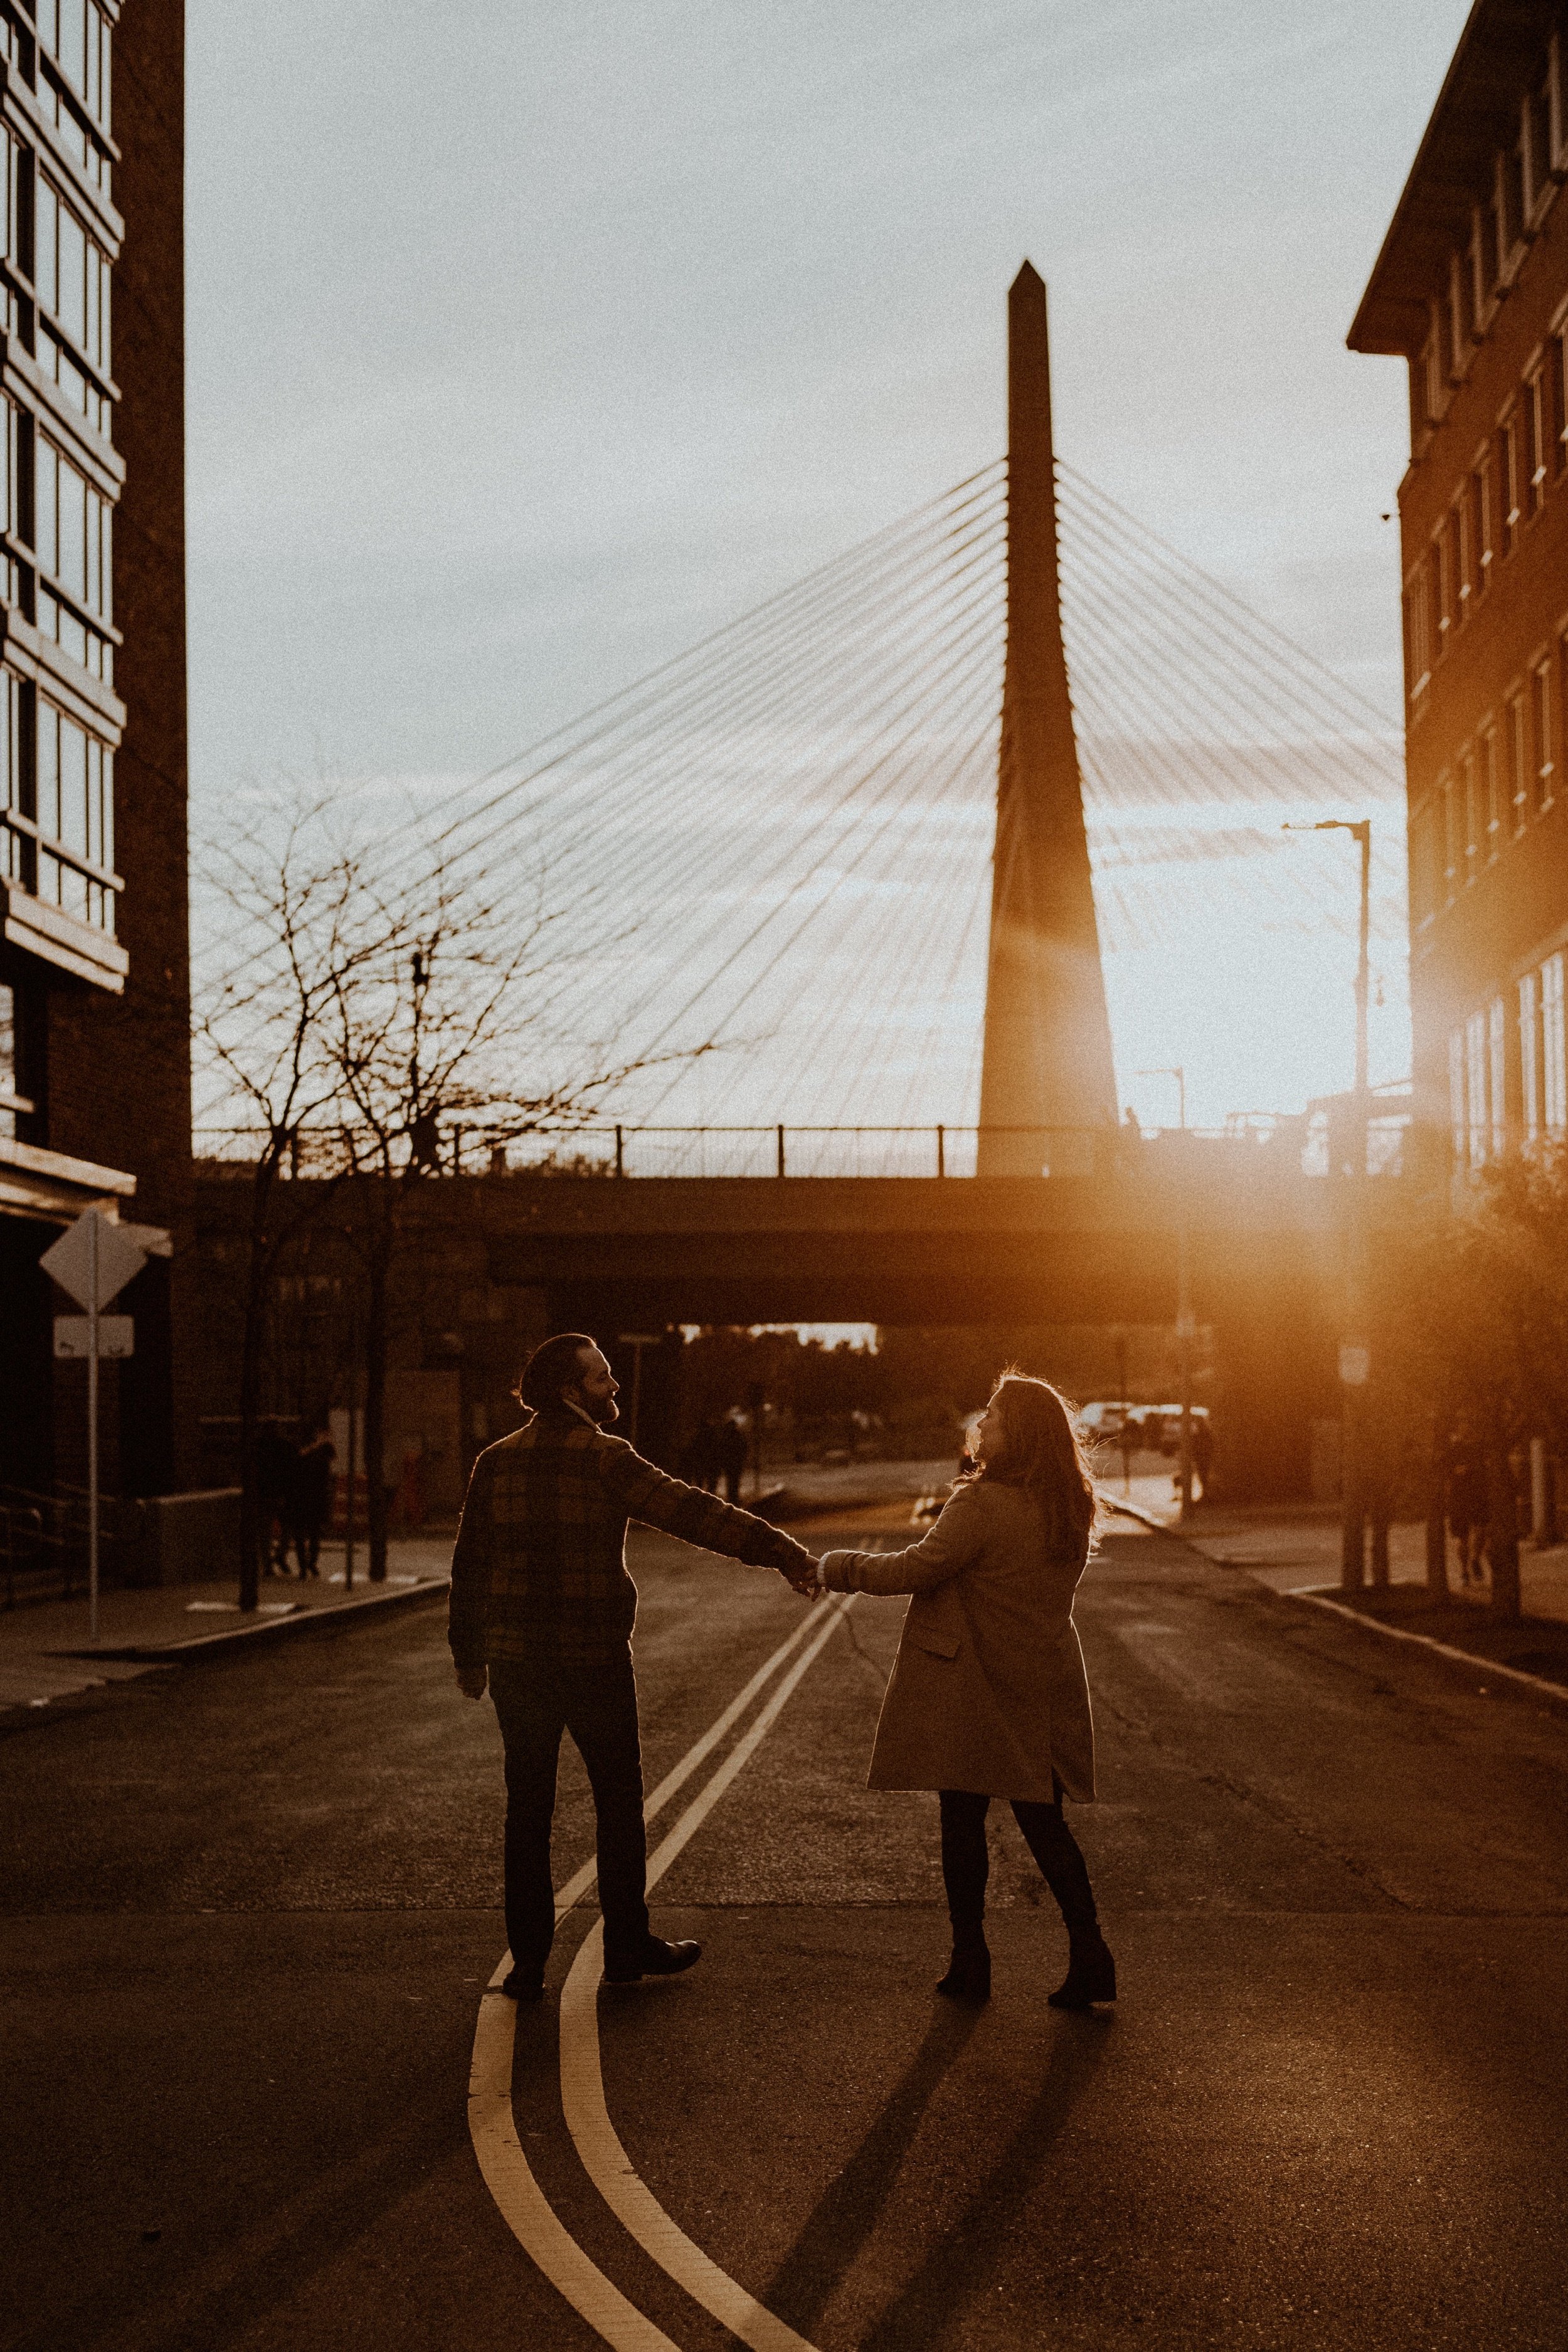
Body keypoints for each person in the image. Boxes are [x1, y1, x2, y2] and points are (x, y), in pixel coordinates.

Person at [449, 1332, 817, 1999]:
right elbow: (695, 1513)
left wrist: (467, 1654)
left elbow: (469, 1563)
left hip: (516, 1663)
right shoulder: (603, 1458)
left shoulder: (495, 1461)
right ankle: (625, 1947)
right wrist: (784, 1553)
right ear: (570, 1391)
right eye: (601, 1379)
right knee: (618, 1804)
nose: (614, 1387)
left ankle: (528, 1962)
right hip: (592, 1659)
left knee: (526, 1810)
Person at [814, 1370, 1115, 2011]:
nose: (980, 1427)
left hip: (977, 1684)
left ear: (1019, 1436)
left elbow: (914, 1569)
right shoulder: (1069, 1503)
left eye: (992, 1420)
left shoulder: (979, 1505)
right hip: (1041, 1680)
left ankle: (970, 1959)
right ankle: (1090, 1953)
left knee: (962, 1822)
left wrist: (835, 1566)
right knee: (1045, 1824)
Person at [1443, 1417, 1490, 1589]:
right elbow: (1447, 1472)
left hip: (1478, 1494)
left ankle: (1476, 1559)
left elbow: (1486, 1467)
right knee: (1462, 1537)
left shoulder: (1480, 1447)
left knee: (1481, 1530)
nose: (1466, 1429)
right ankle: (1464, 1571)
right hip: (1459, 1496)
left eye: (1468, 1425)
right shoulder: (1453, 1449)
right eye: (1462, 1425)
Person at [288, 1419, 336, 1579]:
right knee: (310, 1534)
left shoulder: (313, 1452)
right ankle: (308, 1564)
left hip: (305, 1498)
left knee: (305, 1534)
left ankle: (306, 1565)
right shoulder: (313, 1454)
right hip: (310, 1498)